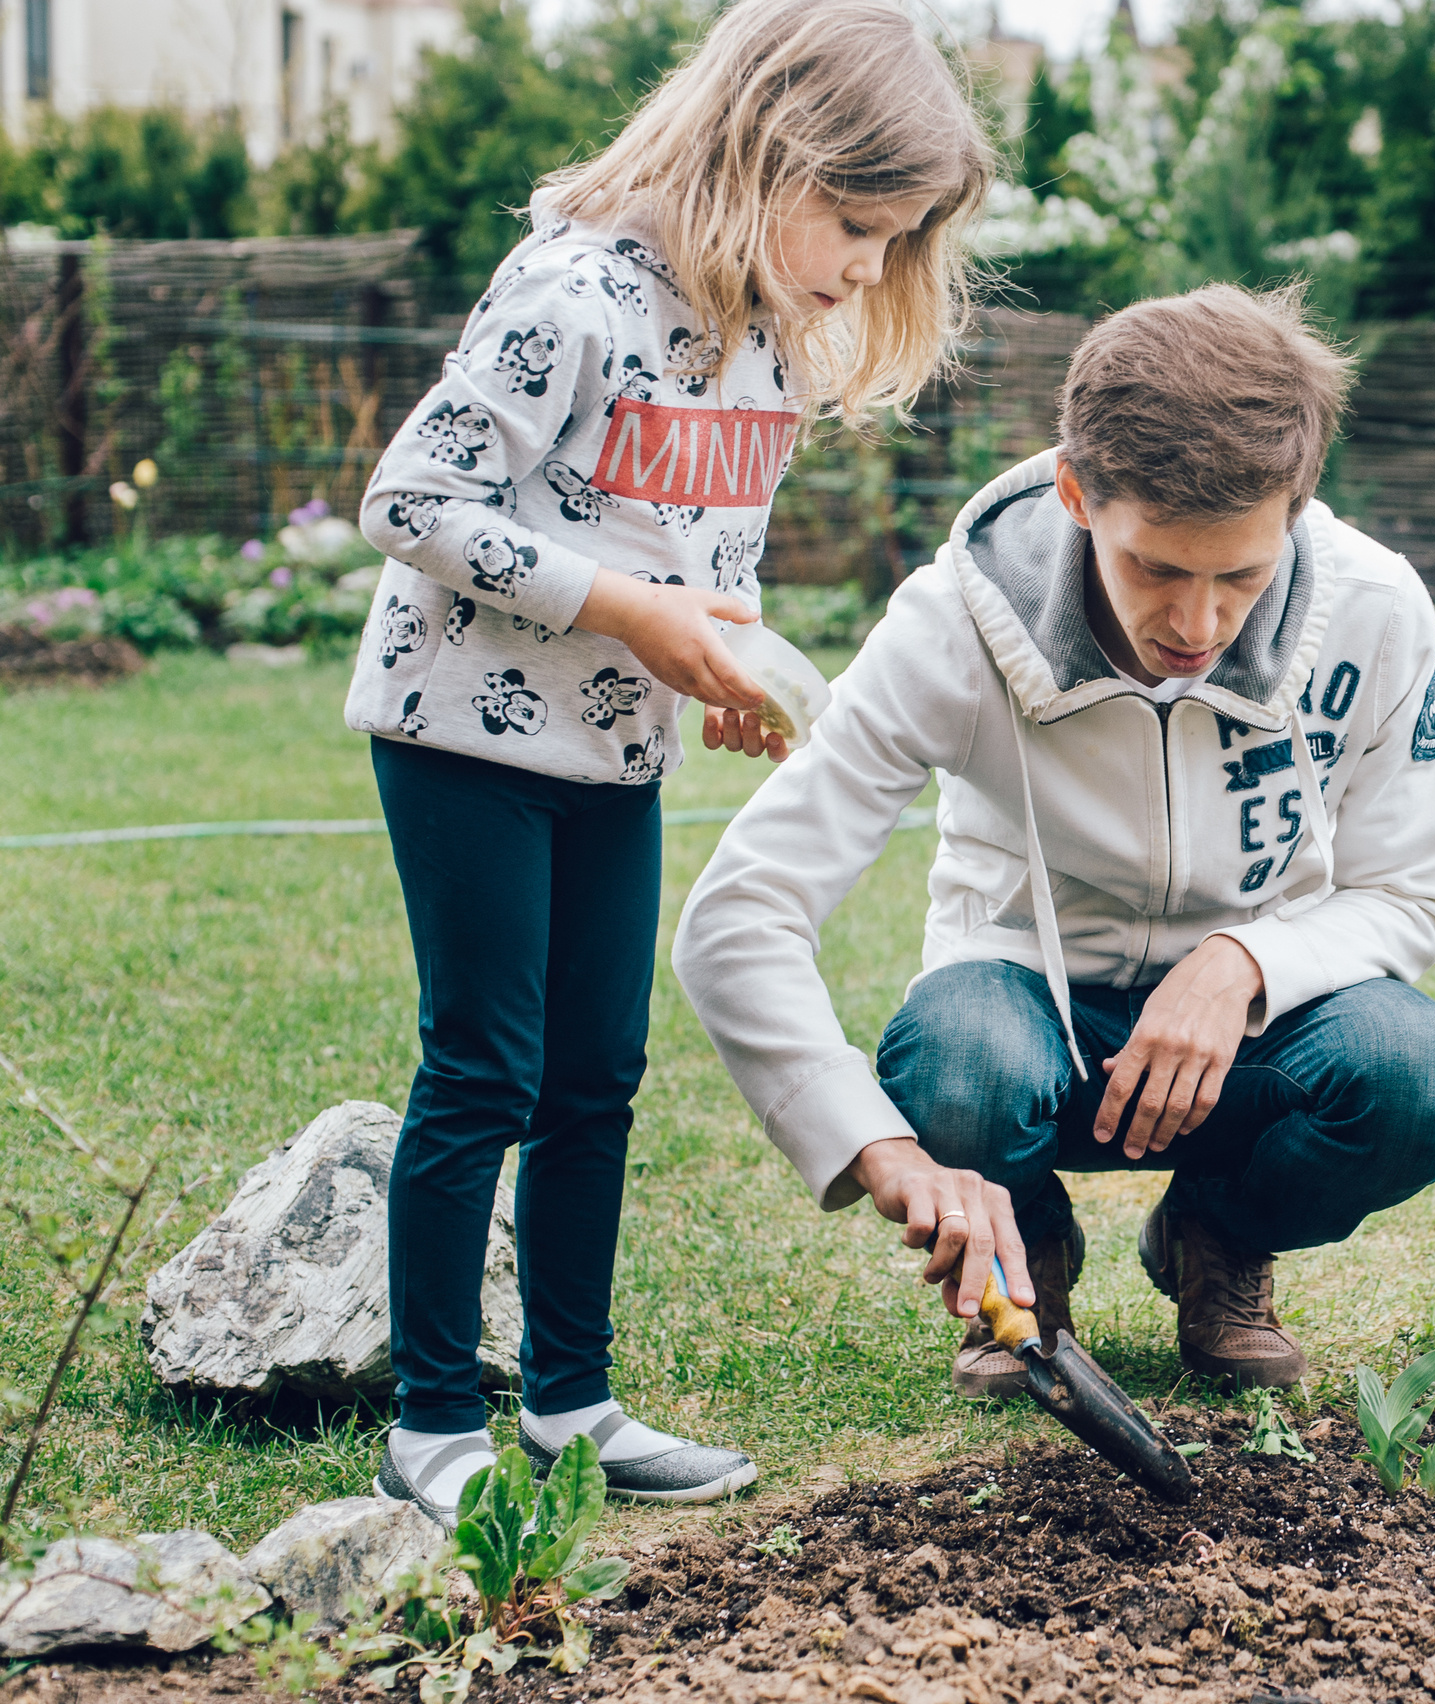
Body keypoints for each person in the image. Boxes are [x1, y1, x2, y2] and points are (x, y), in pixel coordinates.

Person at [343, 0, 996, 1525]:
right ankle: (434, 1424)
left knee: (598, 1081)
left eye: (894, 243)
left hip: (611, 753)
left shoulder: (768, 339)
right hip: (464, 736)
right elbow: (411, 501)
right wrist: (640, 613)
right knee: (484, 1072)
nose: (864, 270)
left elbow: (687, 542)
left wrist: (718, 652)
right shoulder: (570, 289)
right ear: (767, 150)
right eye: (854, 223)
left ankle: (572, 1405)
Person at [673, 283, 1435, 1396]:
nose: (1197, 628)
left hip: (1258, 1041)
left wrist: (1242, 964)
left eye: (1239, 576)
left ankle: (1217, 1240)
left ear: (1296, 508)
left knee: (1417, 1075)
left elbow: (1410, 896)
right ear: (1075, 493)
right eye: (1156, 567)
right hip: (1026, 1023)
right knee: (958, 1066)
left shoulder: (1379, 611)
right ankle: (1027, 1259)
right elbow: (741, 914)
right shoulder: (952, 622)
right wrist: (878, 1149)